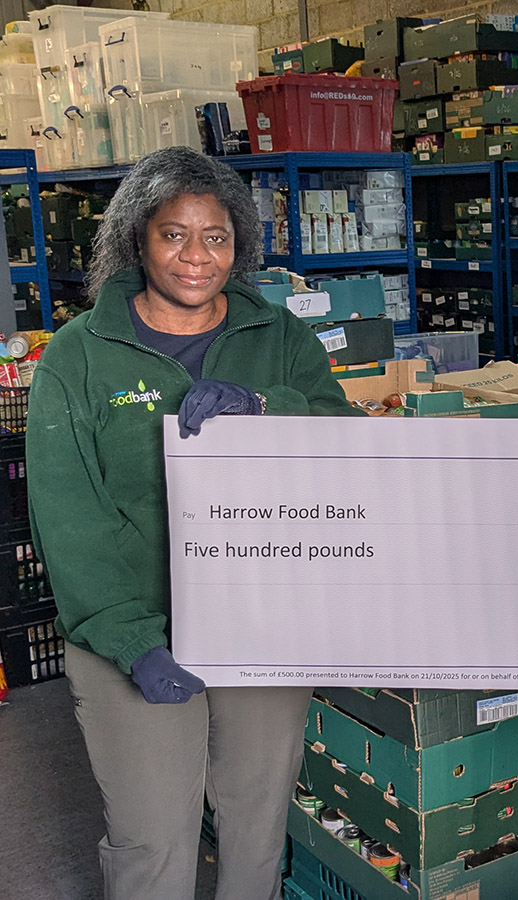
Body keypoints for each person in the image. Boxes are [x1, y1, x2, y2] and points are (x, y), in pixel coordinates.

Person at [26, 146, 361, 900]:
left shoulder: (280, 337)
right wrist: (129, 638)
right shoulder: (80, 356)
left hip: (263, 625)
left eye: (216, 237)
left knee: (255, 826)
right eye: (173, 234)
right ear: (138, 239)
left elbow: (346, 443)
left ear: (239, 244)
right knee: (152, 840)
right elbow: (67, 514)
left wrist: (265, 406)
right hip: (133, 632)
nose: (196, 256)